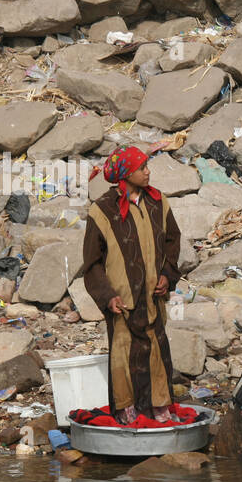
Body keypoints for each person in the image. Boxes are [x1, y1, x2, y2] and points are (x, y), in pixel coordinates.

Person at [80, 147, 182, 425]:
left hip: (154, 295)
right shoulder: (102, 210)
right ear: (126, 174)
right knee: (123, 352)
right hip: (122, 299)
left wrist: (167, 275)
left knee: (157, 350)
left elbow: (173, 241)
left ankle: (159, 406)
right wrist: (107, 296)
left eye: (147, 166)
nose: (148, 172)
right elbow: (92, 262)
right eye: (142, 168)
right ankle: (127, 410)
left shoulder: (158, 202)